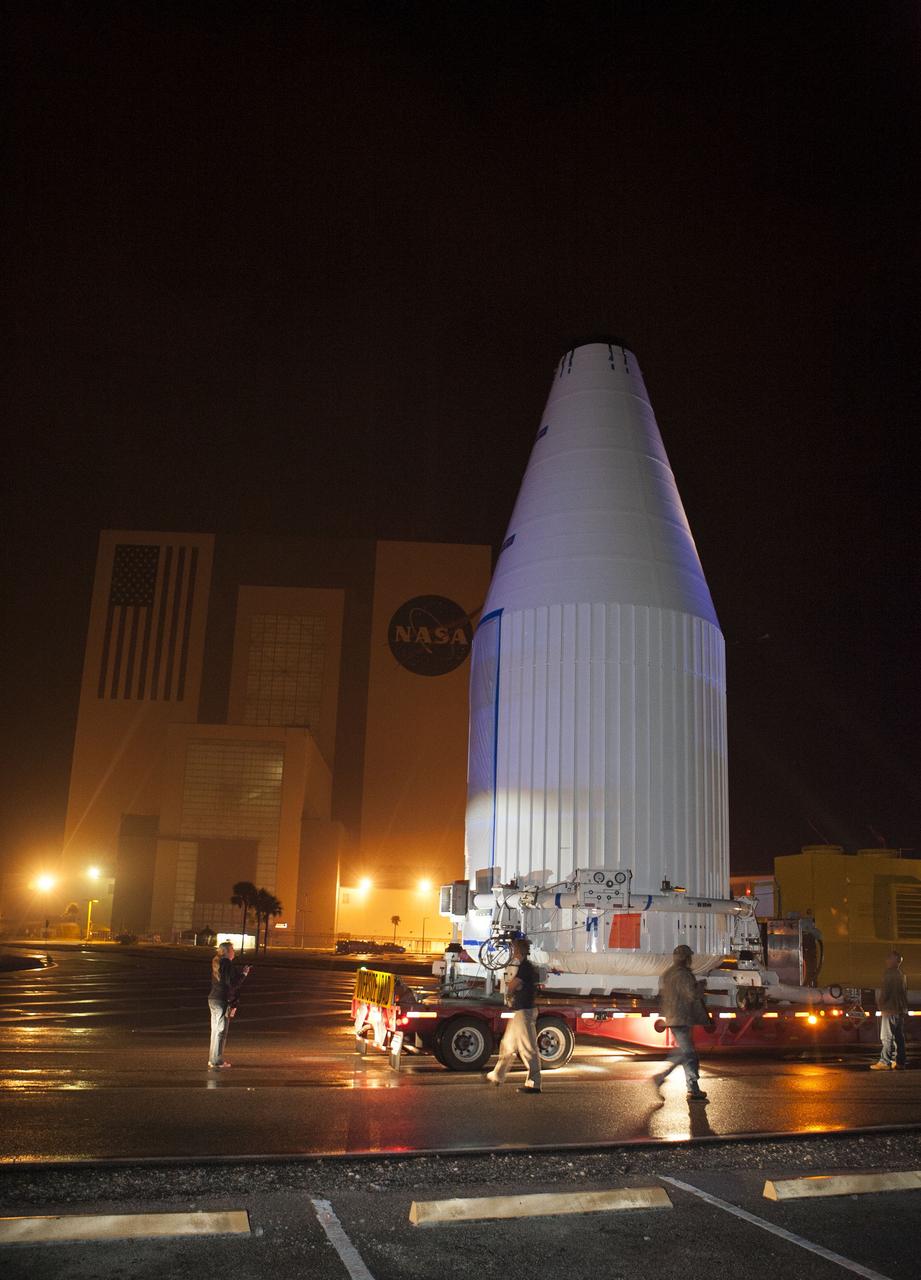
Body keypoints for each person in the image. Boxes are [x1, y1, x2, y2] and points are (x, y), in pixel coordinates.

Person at [652, 943, 712, 1101]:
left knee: (684, 1053)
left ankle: (692, 1088)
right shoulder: (684, 975)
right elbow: (691, 995)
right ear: (687, 958)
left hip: (672, 1017)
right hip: (682, 1017)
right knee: (689, 1055)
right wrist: (700, 986)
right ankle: (688, 1087)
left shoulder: (668, 973)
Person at [485, 936, 542, 1093]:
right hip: (520, 1012)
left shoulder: (525, 967)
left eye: (513, 949)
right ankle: (497, 1075)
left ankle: (534, 1083)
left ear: (518, 951)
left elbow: (513, 984)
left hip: (525, 1012)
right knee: (508, 1044)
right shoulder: (524, 966)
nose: (512, 951)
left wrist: (509, 990)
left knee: (528, 1048)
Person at [208, 940, 251, 1069]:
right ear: (226, 952)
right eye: (232, 950)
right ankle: (217, 1061)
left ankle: (213, 1059)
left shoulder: (218, 962)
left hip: (214, 999)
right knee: (221, 1032)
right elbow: (232, 984)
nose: (234, 952)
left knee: (215, 1031)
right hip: (222, 1000)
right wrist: (244, 974)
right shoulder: (226, 963)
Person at [870, 950, 908, 1070]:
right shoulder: (902, 974)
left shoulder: (889, 974)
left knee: (886, 1036)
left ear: (895, 961)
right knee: (899, 1037)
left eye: (889, 958)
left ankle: (885, 1062)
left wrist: (880, 1005)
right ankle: (900, 1062)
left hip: (890, 1009)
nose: (887, 960)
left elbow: (885, 992)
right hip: (899, 1009)